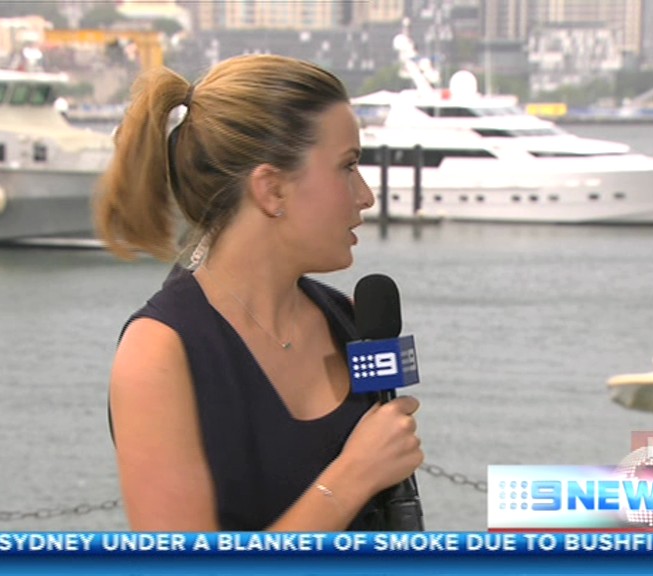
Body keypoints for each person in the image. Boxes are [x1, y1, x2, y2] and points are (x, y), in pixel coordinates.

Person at [95, 54, 423, 531]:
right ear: (272, 189)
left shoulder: (351, 321)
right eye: (348, 167)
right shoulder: (159, 352)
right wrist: (353, 477)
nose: (366, 195)